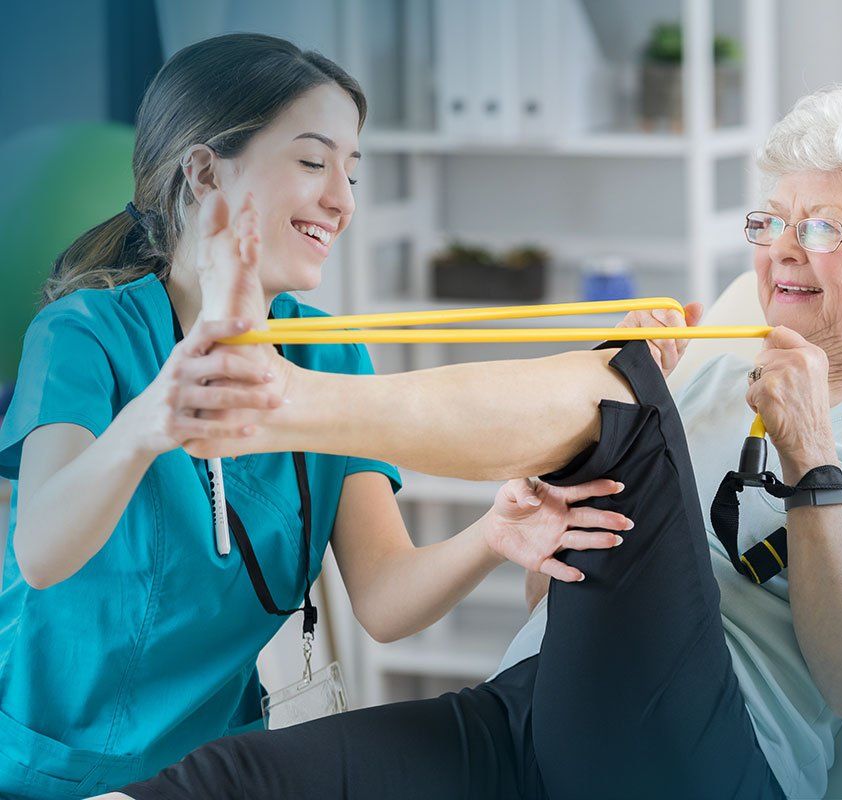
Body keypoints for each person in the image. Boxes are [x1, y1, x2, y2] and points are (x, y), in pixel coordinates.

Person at [114, 82, 842, 799]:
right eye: (768, 224)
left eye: (821, 229)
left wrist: (812, 460)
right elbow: (553, 597)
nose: (780, 254)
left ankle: (271, 399)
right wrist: (554, 490)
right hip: (534, 715)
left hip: (706, 762)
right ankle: (272, 398)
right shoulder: (704, 378)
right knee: (225, 783)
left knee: (623, 400)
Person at [0, 34, 631, 799]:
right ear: (203, 172)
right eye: (312, 161)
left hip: (214, 773)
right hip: (48, 770)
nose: (343, 198)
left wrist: (492, 537)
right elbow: (40, 550)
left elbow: (386, 600)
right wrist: (149, 423)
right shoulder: (85, 335)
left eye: (352, 171)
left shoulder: (331, 359)